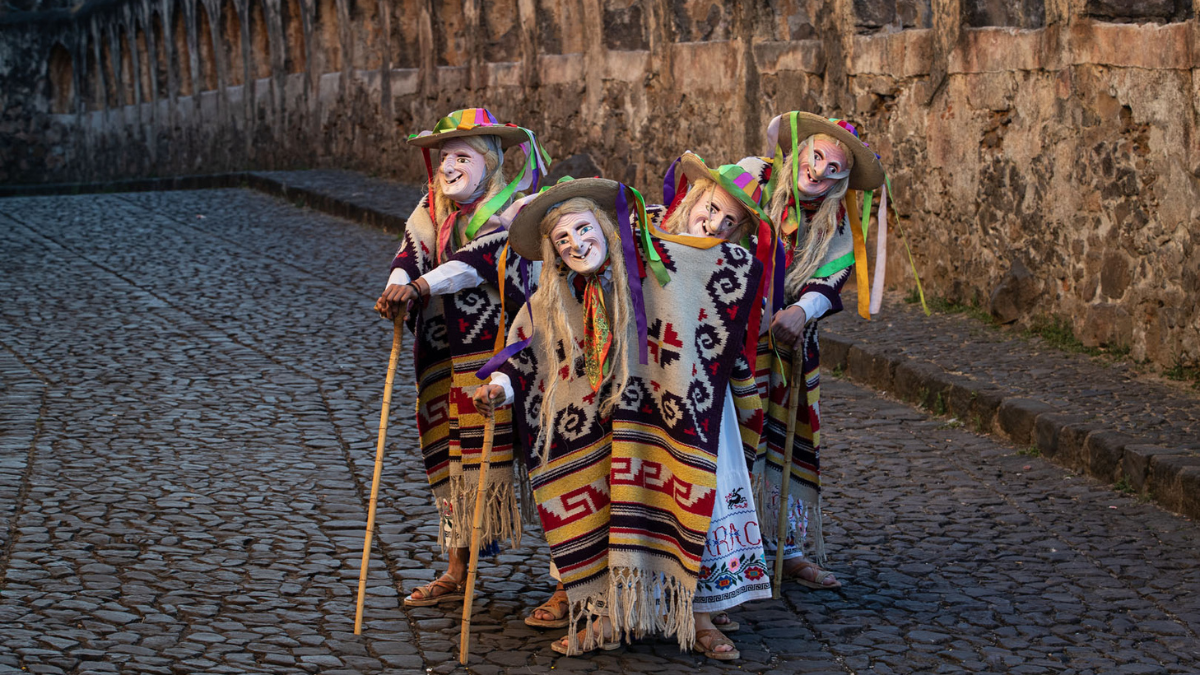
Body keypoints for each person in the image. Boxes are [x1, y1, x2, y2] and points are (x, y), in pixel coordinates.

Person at [473, 178, 763, 657]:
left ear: (605, 227)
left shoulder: (655, 264)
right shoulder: (553, 297)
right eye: (562, 240)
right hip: (604, 423)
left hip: (678, 411)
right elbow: (524, 353)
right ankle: (608, 618)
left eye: (583, 229)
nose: (576, 244)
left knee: (693, 502)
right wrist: (498, 389)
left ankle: (700, 619)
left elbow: (725, 265)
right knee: (609, 506)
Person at [372, 108, 558, 613]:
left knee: (546, 458)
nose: (450, 167)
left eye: (464, 156)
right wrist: (397, 285)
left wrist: (421, 286)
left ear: (491, 164)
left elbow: (479, 261)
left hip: (516, 357)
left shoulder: (518, 213)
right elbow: (413, 250)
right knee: (456, 456)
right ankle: (458, 568)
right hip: (447, 356)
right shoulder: (432, 209)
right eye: (446, 157)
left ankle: (569, 578)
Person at [656, 152, 781, 658]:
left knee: (705, 488)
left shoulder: (735, 264)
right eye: (710, 208)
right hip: (648, 396)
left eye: (729, 222)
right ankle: (617, 604)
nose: (714, 224)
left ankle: (702, 613)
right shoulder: (649, 243)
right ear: (692, 197)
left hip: (706, 401)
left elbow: (733, 334)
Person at [758, 111, 887, 590]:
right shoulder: (756, 180)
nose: (820, 172)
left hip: (789, 348)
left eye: (836, 168)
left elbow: (834, 275)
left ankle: (787, 546)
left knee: (790, 435)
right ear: (801, 151)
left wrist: (802, 311)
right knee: (730, 438)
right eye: (817, 157)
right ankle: (729, 547)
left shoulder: (836, 220)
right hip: (729, 339)